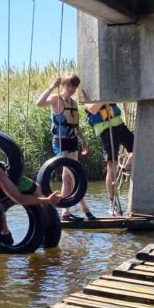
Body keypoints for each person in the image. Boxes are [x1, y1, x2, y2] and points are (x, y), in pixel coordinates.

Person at [35, 74, 95, 222]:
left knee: (67, 177)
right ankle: (86, 210)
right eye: (68, 85)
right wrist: (51, 86)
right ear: (63, 85)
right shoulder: (56, 99)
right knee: (74, 174)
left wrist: (84, 141)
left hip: (72, 141)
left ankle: (66, 213)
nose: (71, 89)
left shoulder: (73, 103)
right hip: (60, 141)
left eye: (74, 86)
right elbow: (39, 103)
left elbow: (75, 125)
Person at [82, 98, 135, 216]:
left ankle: (127, 166)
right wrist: (104, 98)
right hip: (105, 130)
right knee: (111, 166)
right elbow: (93, 110)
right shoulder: (88, 97)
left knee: (136, 147)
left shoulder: (109, 92)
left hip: (119, 125)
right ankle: (112, 202)